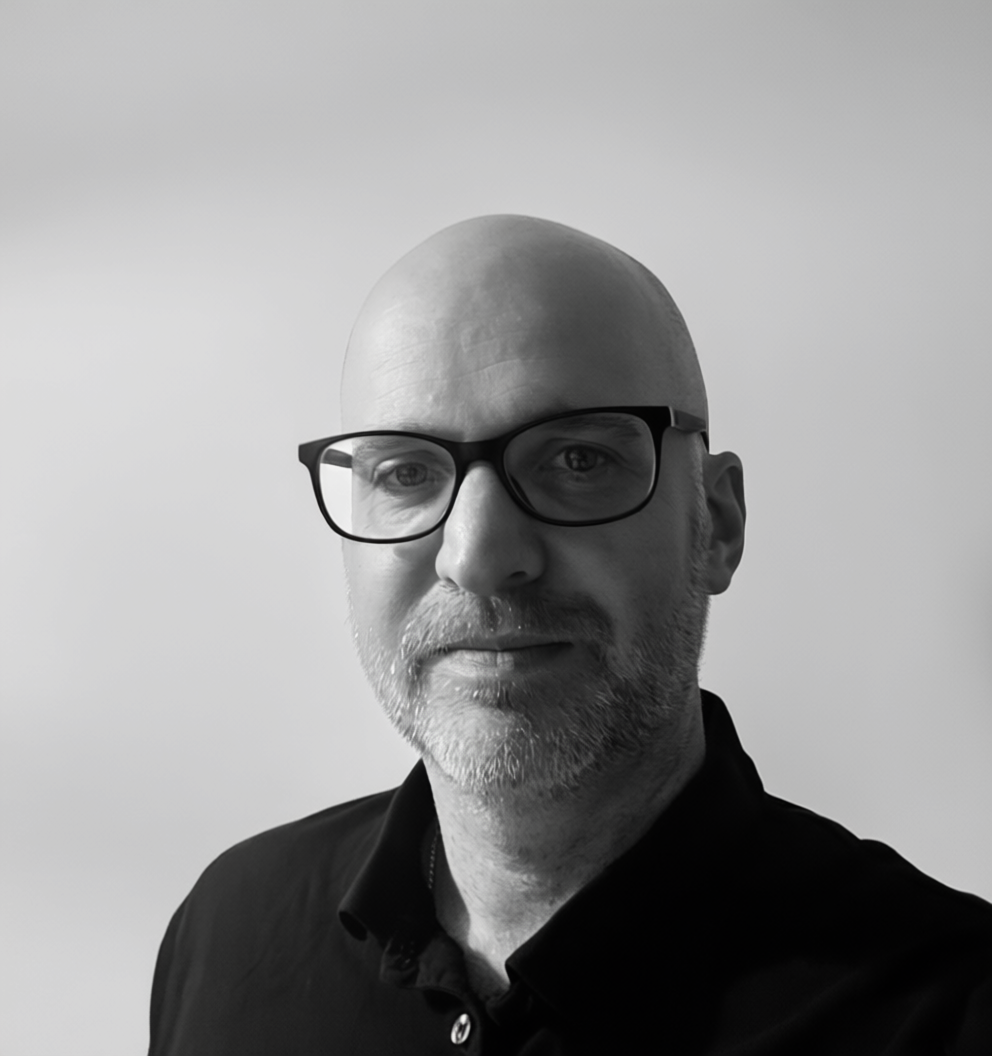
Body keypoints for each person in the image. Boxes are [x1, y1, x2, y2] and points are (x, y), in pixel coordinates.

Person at [148, 216, 992, 1055]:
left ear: (718, 524)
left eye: (577, 460)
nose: (479, 557)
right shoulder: (231, 937)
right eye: (405, 473)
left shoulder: (951, 1009)